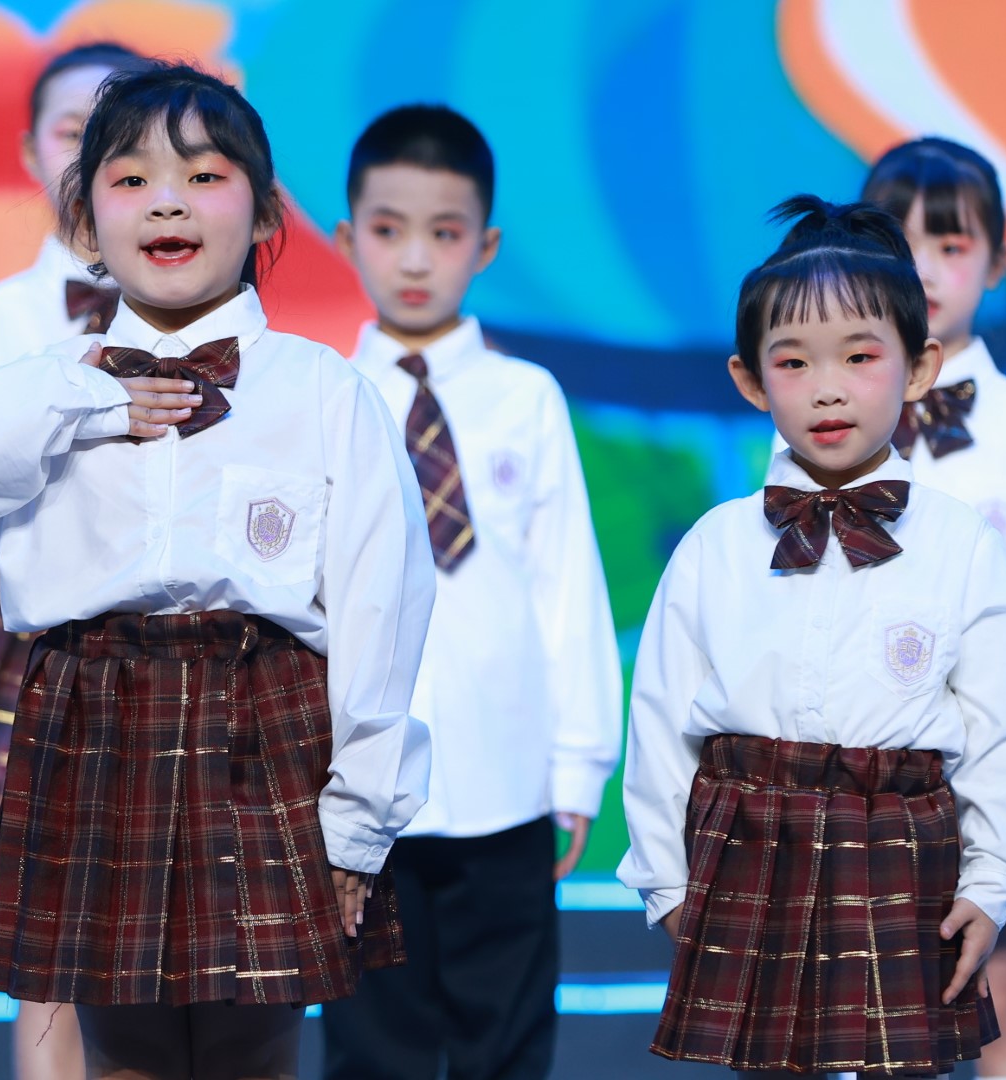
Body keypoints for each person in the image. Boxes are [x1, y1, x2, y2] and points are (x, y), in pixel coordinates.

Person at [0, 62, 433, 1079]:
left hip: (264, 732)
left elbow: (380, 609)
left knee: (254, 1049)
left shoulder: (321, 390)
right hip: (96, 727)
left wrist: (358, 822)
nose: (167, 201)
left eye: (205, 176)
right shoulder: (44, 391)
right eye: (130, 180)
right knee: (120, 1054)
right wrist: (79, 405)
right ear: (84, 223)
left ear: (265, 212)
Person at [618, 195, 1006, 1078]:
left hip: (903, 855)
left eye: (860, 356)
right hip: (748, 848)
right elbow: (657, 725)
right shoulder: (715, 546)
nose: (829, 387)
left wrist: (992, 881)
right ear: (750, 380)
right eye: (795, 361)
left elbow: (1000, 730)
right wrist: (665, 883)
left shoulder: (963, 544)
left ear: (918, 368)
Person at [320, 104, 620, 1080]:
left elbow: (566, 584)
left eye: (444, 234)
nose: (415, 259)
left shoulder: (526, 397)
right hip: (363, 789)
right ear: (347, 239)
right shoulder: (323, 399)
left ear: (485, 247)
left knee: (507, 1042)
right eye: (388, 229)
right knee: (374, 1047)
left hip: (505, 781)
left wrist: (578, 767)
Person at [0, 41, 152, 1080]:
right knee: (48, 948)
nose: (90, 158)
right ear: (29, 153)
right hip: (39, 664)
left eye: (118, 139)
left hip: (179, 657)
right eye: (73, 133)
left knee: (175, 945)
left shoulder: (210, 319)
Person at [859, 138, 1006, 1080]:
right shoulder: (826, 418)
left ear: (997, 262)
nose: (922, 268)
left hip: (996, 761)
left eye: (951, 245)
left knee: (1004, 993)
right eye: (900, 241)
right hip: (863, 769)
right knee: (868, 1013)